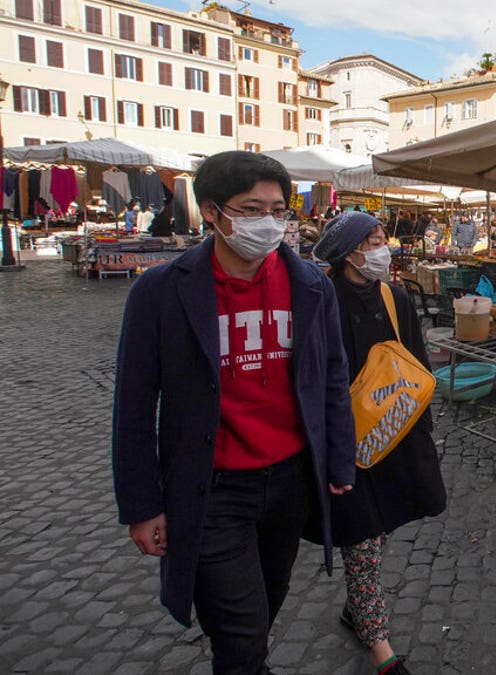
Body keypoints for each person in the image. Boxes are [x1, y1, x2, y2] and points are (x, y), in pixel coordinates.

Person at [111, 151, 356, 674]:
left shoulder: (311, 285)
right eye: (250, 209)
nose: (267, 222)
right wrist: (140, 503)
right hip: (212, 489)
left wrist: (339, 461)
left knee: (264, 607)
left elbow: (332, 378)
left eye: (277, 209)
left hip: (290, 482)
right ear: (211, 212)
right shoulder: (160, 292)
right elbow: (133, 404)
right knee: (242, 638)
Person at [313, 212, 446, 675]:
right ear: (349, 252)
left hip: (394, 436)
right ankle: (380, 650)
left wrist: (423, 431)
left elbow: (417, 361)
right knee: (363, 540)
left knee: (380, 528)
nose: (382, 248)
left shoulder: (396, 297)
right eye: (372, 240)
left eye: (381, 239)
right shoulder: (322, 299)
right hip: (347, 444)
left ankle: (357, 611)